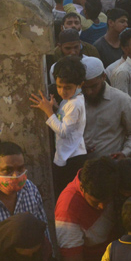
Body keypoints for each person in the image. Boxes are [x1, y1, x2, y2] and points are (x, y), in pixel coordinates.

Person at [55, 158, 119, 261]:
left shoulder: (111, 178)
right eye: (95, 202)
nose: (102, 207)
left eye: (106, 201)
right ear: (82, 188)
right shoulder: (68, 208)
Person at [31, 57, 87, 195]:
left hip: (71, 159)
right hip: (69, 153)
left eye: (68, 87)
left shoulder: (74, 104)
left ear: (80, 85)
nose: (62, 91)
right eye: (59, 86)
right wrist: (56, 109)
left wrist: (48, 112)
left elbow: (63, 131)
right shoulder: (70, 99)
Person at [81, 55, 131, 161]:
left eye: (93, 86)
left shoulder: (121, 100)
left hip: (112, 166)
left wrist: (125, 152)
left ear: (103, 77)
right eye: (84, 87)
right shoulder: (76, 101)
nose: (89, 92)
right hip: (82, 167)